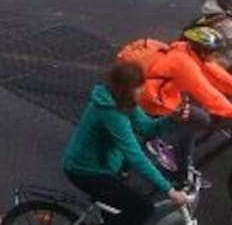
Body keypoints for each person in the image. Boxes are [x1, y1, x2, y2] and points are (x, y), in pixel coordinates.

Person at [63, 62, 189, 225]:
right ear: (125, 90)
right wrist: (169, 190)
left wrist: (171, 119)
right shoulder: (111, 113)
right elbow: (134, 155)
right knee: (143, 209)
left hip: (106, 167)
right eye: (138, 88)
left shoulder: (123, 102)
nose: (142, 91)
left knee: (119, 213)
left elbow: (146, 128)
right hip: (86, 172)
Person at [140, 25, 232, 172]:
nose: (217, 57)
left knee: (196, 116)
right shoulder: (184, 64)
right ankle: (169, 148)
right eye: (214, 53)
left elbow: (218, 75)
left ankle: (171, 148)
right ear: (203, 52)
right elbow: (210, 97)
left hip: (161, 92)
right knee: (200, 118)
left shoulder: (186, 50)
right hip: (153, 99)